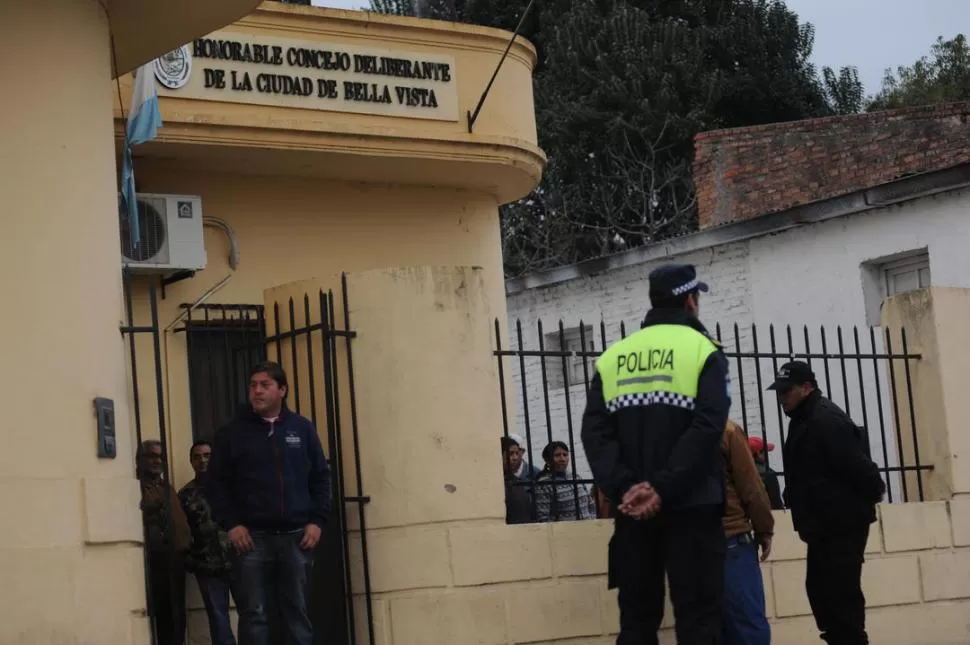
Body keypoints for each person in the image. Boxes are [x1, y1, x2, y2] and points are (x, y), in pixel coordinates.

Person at [581, 263, 731, 645]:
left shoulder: (614, 357)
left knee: (636, 622)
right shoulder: (704, 352)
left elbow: (595, 433)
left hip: (632, 513)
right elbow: (707, 429)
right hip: (692, 508)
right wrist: (662, 488)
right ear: (690, 301)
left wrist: (626, 488)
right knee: (699, 621)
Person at [208, 361, 332, 645]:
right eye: (253, 385)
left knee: (297, 614)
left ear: (282, 390)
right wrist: (232, 524)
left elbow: (321, 478)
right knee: (254, 615)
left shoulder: (301, 429)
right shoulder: (232, 434)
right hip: (251, 539)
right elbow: (216, 485)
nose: (257, 391)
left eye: (265, 385)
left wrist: (317, 521)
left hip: (297, 538)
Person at [769, 361, 885, 645]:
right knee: (821, 591)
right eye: (780, 391)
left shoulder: (825, 419)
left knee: (839, 595)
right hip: (823, 525)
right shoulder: (803, 420)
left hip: (841, 523)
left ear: (806, 388)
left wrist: (858, 502)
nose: (782, 397)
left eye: (787, 390)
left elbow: (860, 468)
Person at [178, 440, 239, 645]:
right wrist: (191, 560)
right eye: (197, 457)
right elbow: (182, 531)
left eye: (207, 455)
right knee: (218, 619)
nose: (202, 460)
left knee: (253, 613)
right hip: (207, 565)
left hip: (239, 560)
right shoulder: (185, 495)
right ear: (191, 462)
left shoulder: (233, 487)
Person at [721, 421, 774, 645]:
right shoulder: (726, 430)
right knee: (748, 626)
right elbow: (751, 486)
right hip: (729, 539)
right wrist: (764, 529)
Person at [137, 439, 191, 645]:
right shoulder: (138, 488)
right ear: (140, 460)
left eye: (160, 457)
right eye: (152, 456)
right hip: (156, 562)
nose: (157, 461)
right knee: (163, 616)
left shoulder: (165, 486)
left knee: (177, 615)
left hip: (177, 561)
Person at [534, 441, 596, 522]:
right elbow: (543, 517)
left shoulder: (576, 478)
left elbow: (591, 505)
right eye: (557, 455)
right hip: (564, 532)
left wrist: (592, 520)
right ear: (547, 460)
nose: (562, 459)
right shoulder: (544, 484)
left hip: (588, 528)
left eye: (565, 455)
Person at [501, 436, 535, 524]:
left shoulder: (516, 481)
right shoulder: (498, 481)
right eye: (511, 454)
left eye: (517, 453)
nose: (515, 457)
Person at [748, 436, 784, 510]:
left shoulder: (742, 472)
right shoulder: (769, 474)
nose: (767, 454)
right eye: (765, 452)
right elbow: (776, 503)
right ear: (758, 454)